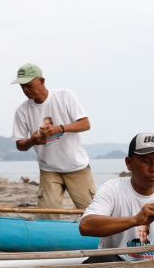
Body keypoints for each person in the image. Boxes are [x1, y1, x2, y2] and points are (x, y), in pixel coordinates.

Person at [79, 133, 154, 263]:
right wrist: (135, 220)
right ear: (129, 163)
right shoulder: (112, 189)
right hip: (118, 262)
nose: (153, 169)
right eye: (146, 161)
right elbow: (85, 226)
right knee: (101, 259)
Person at [11, 63, 96, 218]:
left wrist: (60, 128)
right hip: (49, 170)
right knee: (46, 216)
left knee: (93, 213)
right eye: (22, 87)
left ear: (42, 81)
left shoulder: (65, 96)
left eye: (29, 85)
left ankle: (102, 241)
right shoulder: (22, 110)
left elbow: (86, 124)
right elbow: (20, 145)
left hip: (76, 167)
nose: (26, 90)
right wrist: (32, 140)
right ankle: (49, 241)